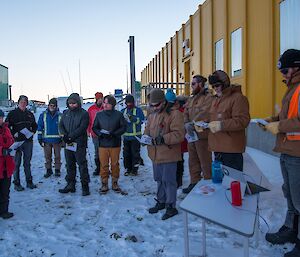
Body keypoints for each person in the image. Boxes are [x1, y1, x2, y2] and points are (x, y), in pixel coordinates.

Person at [263, 49, 300, 257]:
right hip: (288, 150)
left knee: (299, 198)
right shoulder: (292, 88)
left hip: (298, 153)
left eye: (285, 70)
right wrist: (272, 120)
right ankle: (290, 229)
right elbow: (288, 114)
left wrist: (280, 126)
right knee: (290, 195)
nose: (283, 75)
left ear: (297, 67)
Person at [145, 88, 185, 220]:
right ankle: (161, 201)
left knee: (169, 181)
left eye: (156, 105)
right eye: (152, 105)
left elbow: (179, 134)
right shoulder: (152, 115)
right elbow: (147, 130)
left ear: (163, 102)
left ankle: (171, 206)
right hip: (155, 155)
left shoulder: (175, 114)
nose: (154, 107)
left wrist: (163, 139)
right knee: (159, 180)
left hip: (168, 154)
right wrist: (145, 138)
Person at [207, 70, 250, 171]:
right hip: (217, 147)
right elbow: (214, 118)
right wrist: (205, 124)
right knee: (221, 182)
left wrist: (221, 125)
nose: (215, 89)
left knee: (233, 182)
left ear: (225, 83)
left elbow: (242, 120)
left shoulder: (238, 98)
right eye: (213, 86)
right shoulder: (216, 100)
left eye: (217, 85)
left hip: (231, 149)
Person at [183, 75, 213, 194]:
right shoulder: (191, 98)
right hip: (191, 135)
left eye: (194, 84)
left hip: (202, 135)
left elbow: (206, 113)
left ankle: (208, 183)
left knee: (205, 161)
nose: (192, 86)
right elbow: (185, 111)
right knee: (193, 160)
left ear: (201, 84)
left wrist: (193, 123)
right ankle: (194, 182)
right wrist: (186, 123)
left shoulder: (208, 97)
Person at [92, 95, 127, 194]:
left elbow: (123, 127)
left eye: (107, 103)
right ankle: (104, 183)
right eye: (104, 103)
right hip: (103, 143)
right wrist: (100, 134)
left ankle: (115, 182)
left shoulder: (118, 115)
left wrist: (114, 134)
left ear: (112, 104)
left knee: (115, 164)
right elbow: (95, 127)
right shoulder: (99, 115)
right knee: (103, 164)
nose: (105, 105)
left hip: (115, 143)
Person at [58, 93, 90, 196]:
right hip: (68, 143)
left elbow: (82, 128)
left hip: (79, 143)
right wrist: (64, 135)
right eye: (70, 103)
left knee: (82, 165)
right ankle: (70, 184)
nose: (72, 105)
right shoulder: (65, 113)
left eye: (74, 103)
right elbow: (61, 125)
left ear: (78, 103)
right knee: (69, 164)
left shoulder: (84, 114)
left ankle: (85, 186)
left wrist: (71, 136)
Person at [6, 95, 38, 191]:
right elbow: (6, 127)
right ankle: (17, 183)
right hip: (17, 142)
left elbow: (35, 126)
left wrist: (32, 132)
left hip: (28, 141)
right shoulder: (12, 114)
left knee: (27, 163)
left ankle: (29, 181)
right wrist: (13, 133)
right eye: (21, 102)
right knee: (16, 163)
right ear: (18, 103)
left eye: (25, 102)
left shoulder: (30, 114)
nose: (23, 104)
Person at [37, 98, 62, 178]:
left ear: (56, 106)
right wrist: (40, 138)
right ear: (48, 105)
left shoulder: (60, 115)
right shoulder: (43, 115)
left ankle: (57, 170)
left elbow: (62, 128)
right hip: (46, 140)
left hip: (57, 140)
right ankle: (48, 170)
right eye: (51, 105)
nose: (52, 107)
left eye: (54, 105)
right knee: (47, 156)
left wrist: (63, 138)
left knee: (57, 156)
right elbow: (40, 127)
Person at [121, 94, 145, 176]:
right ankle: (128, 169)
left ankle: (135, 169)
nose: (129, 104)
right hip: (126, 137)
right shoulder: (123, 111)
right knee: (126, 154)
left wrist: (132, 118)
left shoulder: (138, 110)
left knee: (135, 154)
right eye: (127, 103)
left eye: (130, 103)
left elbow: (141, 120)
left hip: (136, 137)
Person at [0, 109, 15, 219]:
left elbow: (11, 141)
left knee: (6, 190)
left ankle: (4, 211)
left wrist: (13, 147)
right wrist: (2, 151)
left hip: (7, 165)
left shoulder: (6, 129)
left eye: (1, 117)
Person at [87, 92, 104, 176]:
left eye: (102, 98)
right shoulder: (91, 109)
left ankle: (105, 168)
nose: (101, 100)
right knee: (97, 151)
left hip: (105, 134)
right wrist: (88, 131)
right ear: (96, 99)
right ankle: (98, 168)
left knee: (105, 151)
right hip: (95, 134)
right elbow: (89, 122)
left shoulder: (105, 107)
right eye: (99, 98)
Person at [176, 95, 188, 188]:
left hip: (179, 140)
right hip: (185, 139)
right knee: (180, 160)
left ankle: (178, 180)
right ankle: (179, 180)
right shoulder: (186, 111)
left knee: (178, 160)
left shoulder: (178, 113)